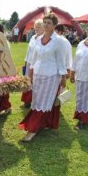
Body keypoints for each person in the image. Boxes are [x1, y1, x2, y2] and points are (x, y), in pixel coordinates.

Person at [19, 13, 67, 142]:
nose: (46, 25)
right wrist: (29, 75)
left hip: (52, 76)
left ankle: (32, 129)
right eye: (45, 22)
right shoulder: (38, 39)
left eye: (49, 23)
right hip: (37, 74)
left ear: (54, 25)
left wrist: (63, 78)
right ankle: (44, 123)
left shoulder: (59, 41)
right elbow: (33, 59)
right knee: (36, 101)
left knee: (44, 102)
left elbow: (61, 61)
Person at [21, 19, 44, 108]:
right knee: (27, 81)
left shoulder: (43, 38)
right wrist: (26, 61)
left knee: (35, 82)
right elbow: (29, 51)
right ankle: (27, 101)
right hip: (29, 63)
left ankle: (34, 101)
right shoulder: (33, 37)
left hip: (37, 64)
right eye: (36, 27)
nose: (37, 29)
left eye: (39, 27)